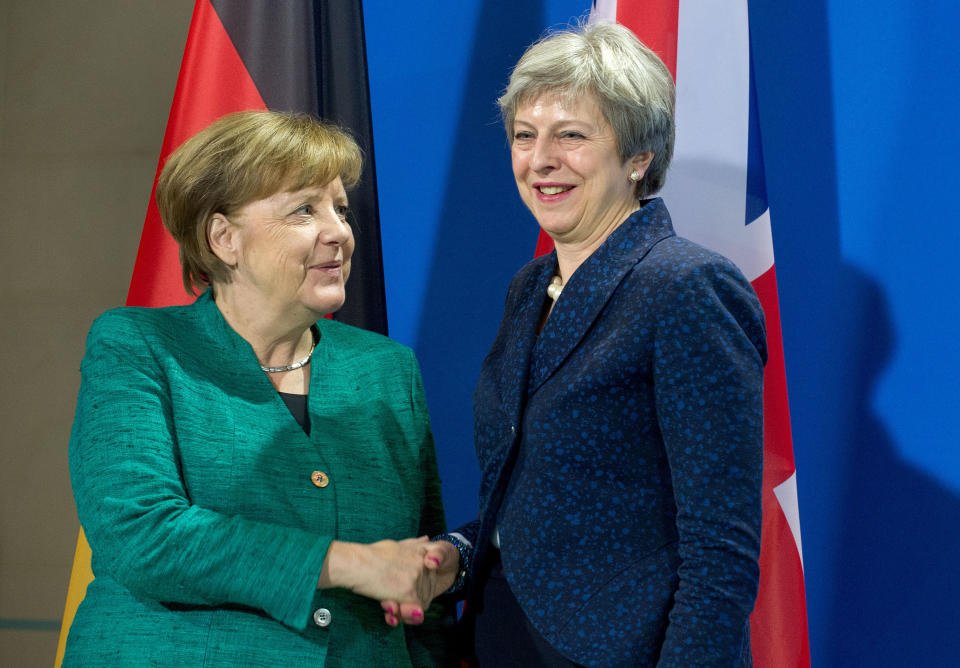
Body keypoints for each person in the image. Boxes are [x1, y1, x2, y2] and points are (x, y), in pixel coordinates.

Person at [395, 22, 768, 667]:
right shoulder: (531, 285)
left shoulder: (688, 286)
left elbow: (722, 552)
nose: (541, 159)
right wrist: (458, 553)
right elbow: (538, 495)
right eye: (524, 136)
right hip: (502, 636)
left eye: (571, 135)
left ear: (638, 156)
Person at [64, 111, 454, 666]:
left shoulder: (387, 370)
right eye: (304, 210)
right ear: (224, 238)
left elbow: (420, 583)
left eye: (340, 210)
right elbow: (142, 535)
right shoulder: (138, 347)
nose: (338, 232)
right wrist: (346, 563)